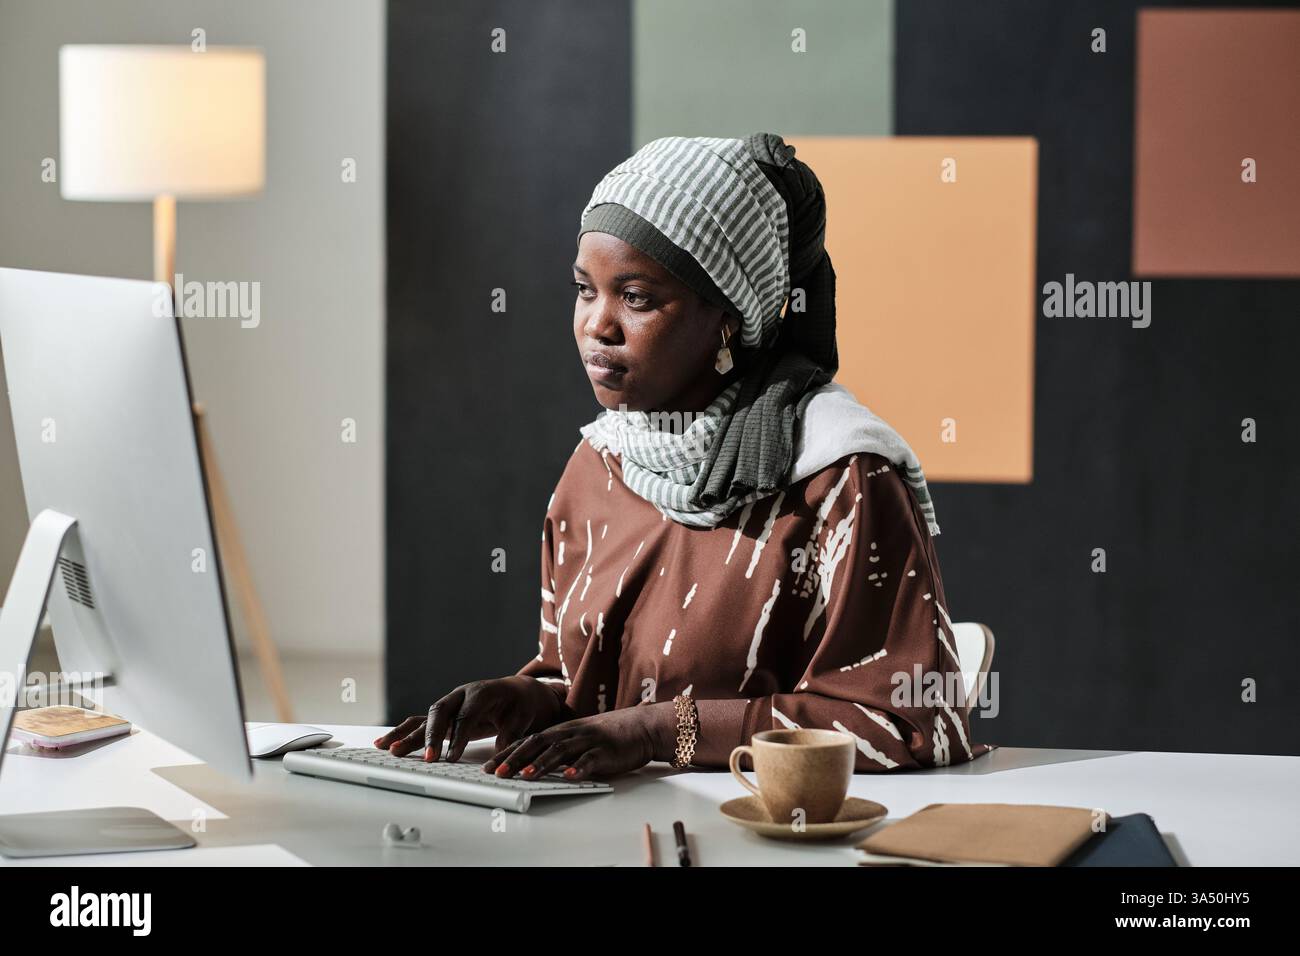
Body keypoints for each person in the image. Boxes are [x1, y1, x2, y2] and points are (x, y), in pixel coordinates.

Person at [375, 133, 993, 780]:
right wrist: (528, 700)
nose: (597, 325)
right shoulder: (598, 466)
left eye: (636, 297)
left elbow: (909, 726)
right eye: (585, 289)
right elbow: (588, 690)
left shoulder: (839, 476)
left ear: (729, 318)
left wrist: (661, 731)